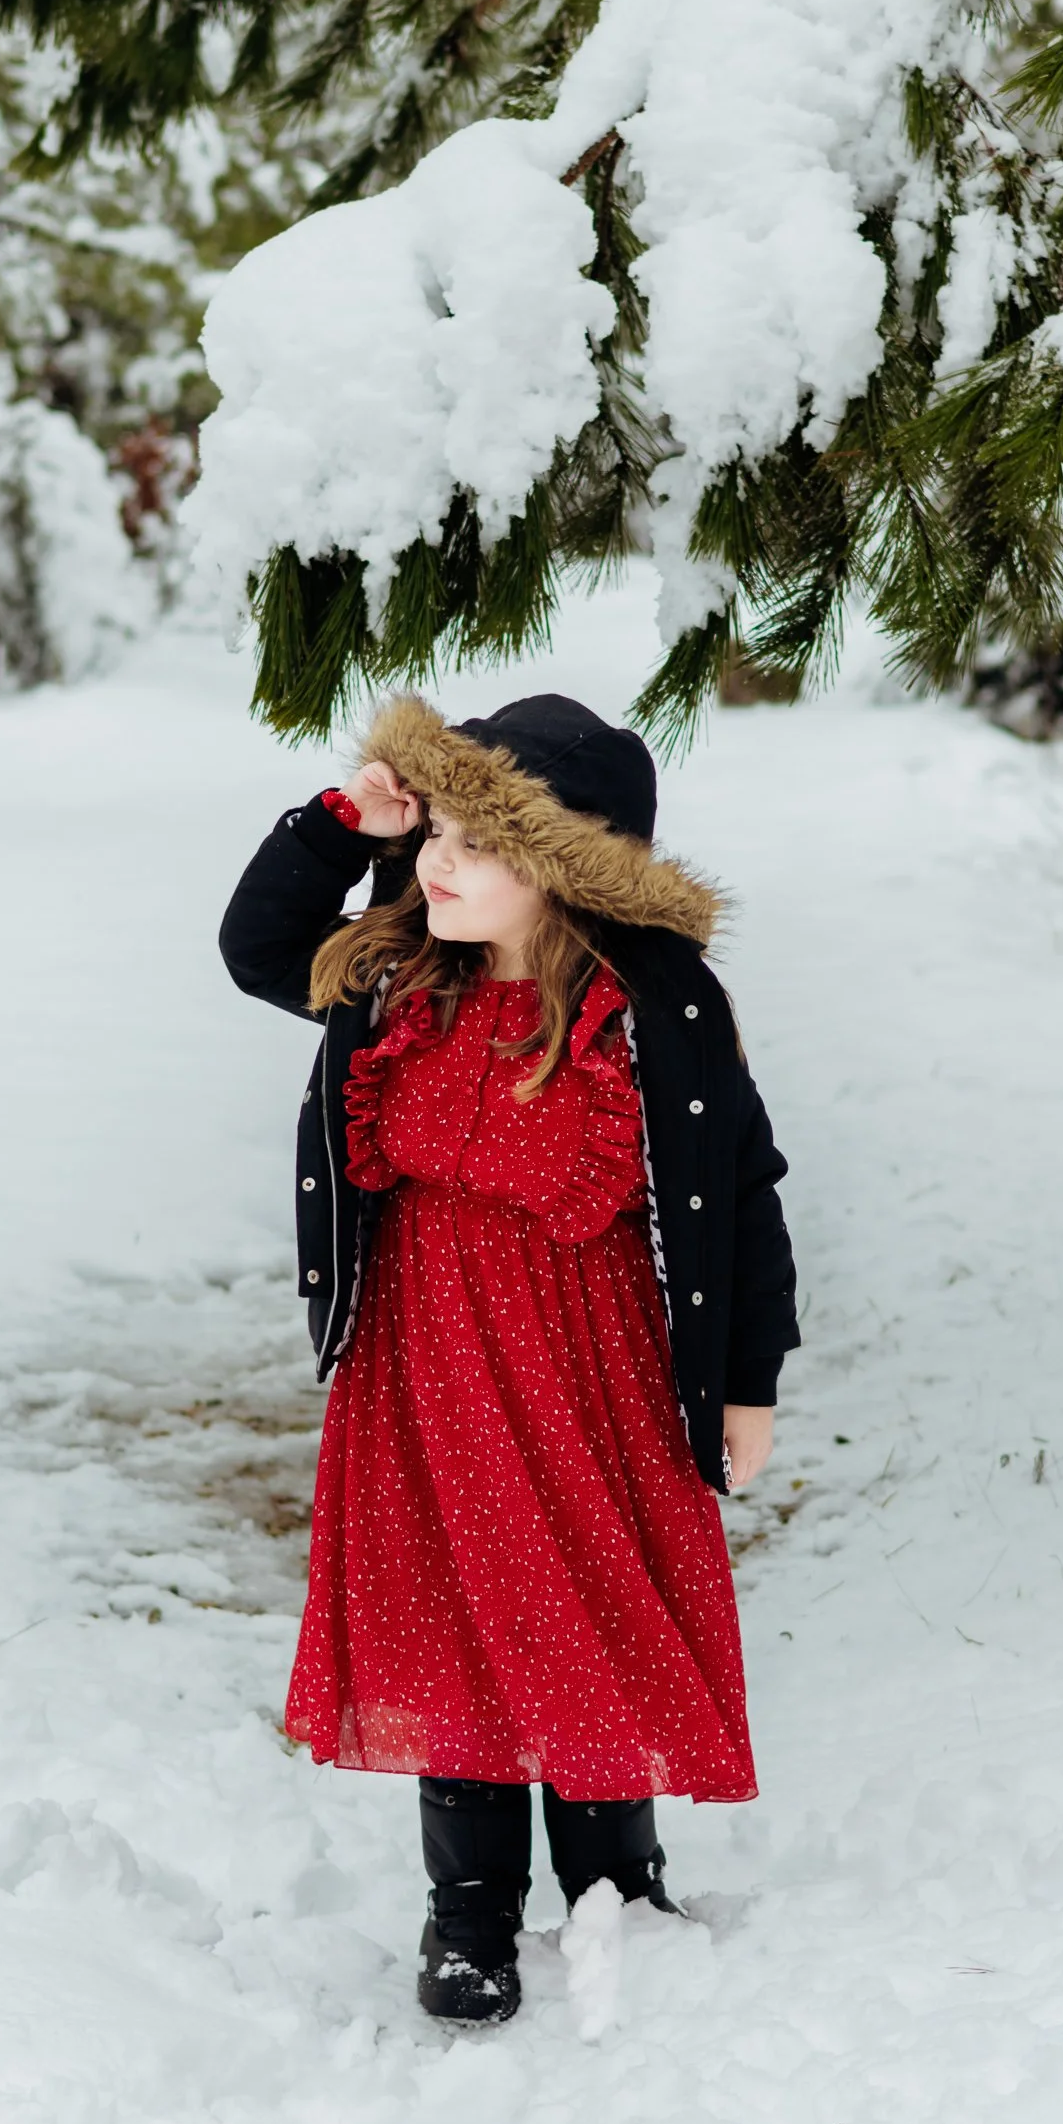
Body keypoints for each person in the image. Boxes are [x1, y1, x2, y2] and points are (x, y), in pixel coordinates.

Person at [219, 691, 800, 2024]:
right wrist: (340, 819)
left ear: (568, 871)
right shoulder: (390, 978)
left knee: (583, 1607)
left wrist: (749, 1374)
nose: (440, 863)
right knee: (450, 1620)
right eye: (439, 832)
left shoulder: (650, 1011)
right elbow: (256, 949)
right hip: (421, 1360)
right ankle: (467, 1912)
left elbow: (741, 1184)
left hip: (588, 1367)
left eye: (482, 844)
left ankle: (615, 1885)